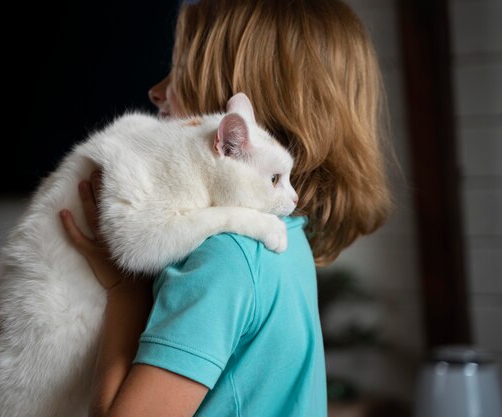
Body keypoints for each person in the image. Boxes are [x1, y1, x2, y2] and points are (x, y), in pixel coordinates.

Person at [58, 0, 393, 416]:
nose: (155, 91)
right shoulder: (283, 235)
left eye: (178, 71)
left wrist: (123, 290)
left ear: (234, 131)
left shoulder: (226, 256)